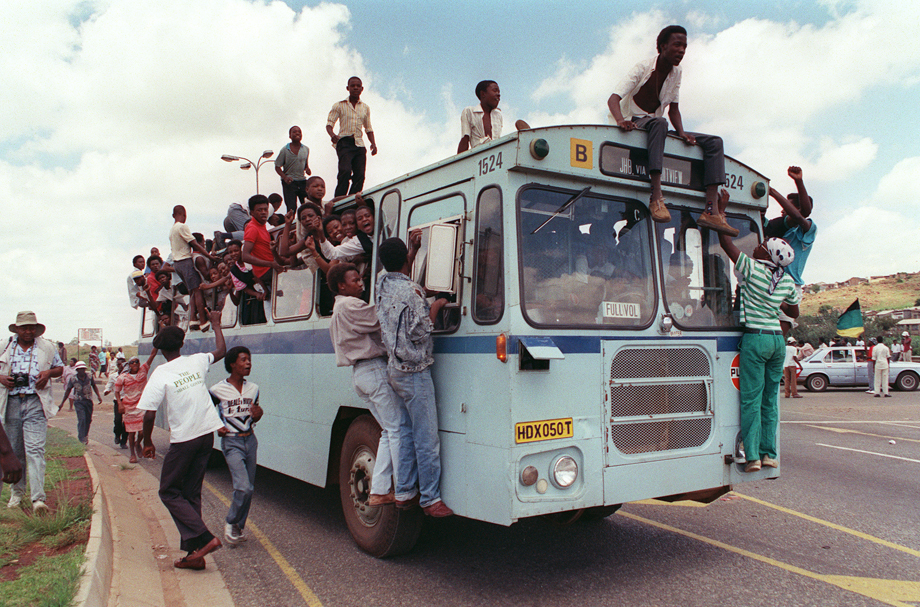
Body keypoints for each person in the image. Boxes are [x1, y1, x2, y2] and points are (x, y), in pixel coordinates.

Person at [607, 25, 736, 236]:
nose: (682, 50)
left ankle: (711, 211)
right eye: (677, 45)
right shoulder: (642, 68)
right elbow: (613, 99)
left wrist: (683, 132)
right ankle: (656, 196)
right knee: (660, 123)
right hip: (634, 123)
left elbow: (674, 109)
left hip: (657, 125)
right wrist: (621, 120)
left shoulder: (677, 72)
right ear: (662, 46)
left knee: (715, 142)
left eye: (685, 46)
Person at [712, 189, 800, 473]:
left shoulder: (752, 269)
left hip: (756, 339)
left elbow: (726, 243)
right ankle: (770, 454)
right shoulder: (786, 281)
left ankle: (752, 458)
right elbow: (794, 311)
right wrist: (777, 301)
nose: (758, 246)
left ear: (769, 255)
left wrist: (721, 211)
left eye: (763, 246)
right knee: (769, 401)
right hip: (777, 341)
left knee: (750, 399)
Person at [137, 311, 226, 570]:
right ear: (182, 343)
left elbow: (149, 413)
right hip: (205, 436)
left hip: (185, 439)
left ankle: (207, 539)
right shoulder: (197, 360)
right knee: (190, 493)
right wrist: (217, 324)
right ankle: (194, 555)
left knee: (168, 491)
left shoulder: (161, 373)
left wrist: (147, 442)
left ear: (161, 350)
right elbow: (221, 349)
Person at [375, 237, 453, 517]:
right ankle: (430, 499)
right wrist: (440, 303)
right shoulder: (413, 292)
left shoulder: (381, 285)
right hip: (415, 373)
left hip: (393, 370)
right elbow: (422, 331)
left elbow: (401, 273)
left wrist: (412, 250)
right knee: (426, 437)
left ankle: (405, 491)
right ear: (407, 261)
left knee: (404, 433)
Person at [329, 263, 405, 506]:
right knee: (398, 428)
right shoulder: (350, 304)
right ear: (342, 285)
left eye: (361, 279)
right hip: (373, 369)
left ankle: (380, 489)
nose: (361, 283)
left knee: (389, 430)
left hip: (361, 374)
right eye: (355, 280)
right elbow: (379, 319)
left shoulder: (338, 308)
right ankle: (402, 489)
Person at [0, 311, 64, 512]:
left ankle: (38, 499)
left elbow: (60, 368)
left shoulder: (46, 347)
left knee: (35, 450)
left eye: (31, 327)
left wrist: (47, 373)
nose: (28, 331)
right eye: (24, 327)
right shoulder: (5, 346)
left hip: (35, 401)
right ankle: (16, 494)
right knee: (15, 451)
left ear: (36, 329)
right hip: (11, 402)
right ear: (17, 329)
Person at [209, 346, 262, 545]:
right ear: (232, 364)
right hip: (231, 442)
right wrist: (217, 425)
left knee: (250, 487)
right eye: (243, 360)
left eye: (249, 359)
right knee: (243, 487)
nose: (248, 363)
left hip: (250, 440)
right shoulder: (217, 389)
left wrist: (259, 414)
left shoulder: (254, 388)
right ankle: (231, 522)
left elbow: (255, 412)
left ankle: (239, 527)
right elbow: (207, 408)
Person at [764, 167, 816, 336]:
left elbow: (803, 214)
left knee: (778, 334)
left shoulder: (807, 230)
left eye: (786, 208)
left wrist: (776, 192)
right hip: (771, 282)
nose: (782, 210)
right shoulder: (780, 229)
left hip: (789, 286)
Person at [170, 205, 219, 332]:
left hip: (177, 264)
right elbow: (194, 244)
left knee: (192, 291)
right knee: (197, 291)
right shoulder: (182, 226)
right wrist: (209, 256)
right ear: (184, 215)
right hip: (185, 261)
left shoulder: (172, 230)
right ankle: (202, 321)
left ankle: (193, 319)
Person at [326, 76, 377, 197]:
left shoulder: (365, 108)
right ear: (347, 88)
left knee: (360, 175)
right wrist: (332, 135)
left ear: (362, 89)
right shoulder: (339, 105)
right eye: (352, 86)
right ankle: (339, 198)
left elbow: (368, 128)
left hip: (359, 144)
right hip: (344, 143)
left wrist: (373, 144)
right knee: (345, 171)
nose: (355, 88)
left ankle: (352, 199)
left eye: (358, 86)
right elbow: (329, 124)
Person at [115, 350, 158, 463]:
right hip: (129, 406)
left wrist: (158, 342)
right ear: (129, 365)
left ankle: (138, 443)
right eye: (132, 362)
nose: (135, 364)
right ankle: (132, 453)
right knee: (131, 432)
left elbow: (152, 355)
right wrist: (120, 404)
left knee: (143, 431)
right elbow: (117, 391)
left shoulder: (143, 370)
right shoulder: (123, 377)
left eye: (137, 362)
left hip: (142, 404)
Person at [61, 362, 102, 445]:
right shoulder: (73, 379)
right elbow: (68, 390)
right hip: (78, 401)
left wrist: (98, 396)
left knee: (88, 419)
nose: (82, 371)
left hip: (88, 401)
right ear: (77, 370)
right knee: (82, 419)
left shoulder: (89, 377)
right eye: (80, 369)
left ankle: (85, 435)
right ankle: (81, 437)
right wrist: (62, 403)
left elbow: (94, 386)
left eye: (83, 369)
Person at [458, 80, 503, 153]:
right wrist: (459, 163)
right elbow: (465, 140)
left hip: (496, 156)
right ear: (483, 94)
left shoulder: (498, 115)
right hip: (478, 157)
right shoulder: (469, 111)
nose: (498, 94)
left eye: (499, 92)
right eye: (495, 91)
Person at [275, 126, 312, 213]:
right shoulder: (284, 150)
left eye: (299, 132)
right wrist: (285, 177)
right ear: (290, 136)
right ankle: (291, 225)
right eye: (294, 132)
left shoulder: (306, 149)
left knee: (307, 204)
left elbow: (305, 164)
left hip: (302, 181)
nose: (297, 133)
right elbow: (277, 167)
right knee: (292, 208)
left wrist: (307, 169)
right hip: (289, 182)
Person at [103, 358, 128, 449]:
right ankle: (117, 434)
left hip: (127, 400)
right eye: (119, 364)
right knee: (117, 420)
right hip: (118, 400)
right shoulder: (113, 376)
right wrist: (107, 390)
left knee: (127, 422)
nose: (120, 366)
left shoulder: (128, 376)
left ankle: (124, 441)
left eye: (122, 364)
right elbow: (108, 386)